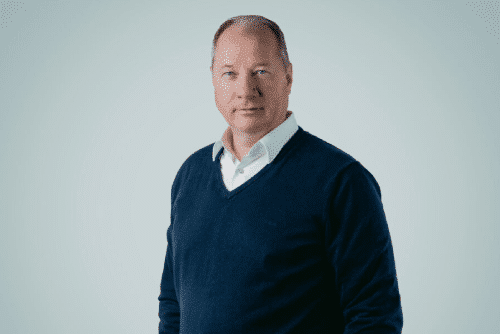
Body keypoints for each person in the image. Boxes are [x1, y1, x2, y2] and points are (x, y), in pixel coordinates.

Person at [158, 15, 403, 333]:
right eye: (229, 74)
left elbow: (374, 317)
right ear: (214, 79)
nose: (245, 90)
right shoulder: (191, 175)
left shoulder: (341, 181)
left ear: (287, 76)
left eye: (260, 71)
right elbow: (173, 303)